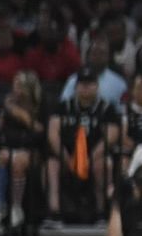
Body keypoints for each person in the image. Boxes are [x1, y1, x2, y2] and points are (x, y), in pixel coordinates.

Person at [47, 68, 119, 224]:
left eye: (90, 83)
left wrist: (90, 159)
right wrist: (67, 158)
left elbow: (111, 136)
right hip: (67, 155)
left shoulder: (107, 108)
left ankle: (101, 212)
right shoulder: (63, 106)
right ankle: (54, 212)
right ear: (75, 87)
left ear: (97, 86)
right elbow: (53, 133)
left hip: (94, 156)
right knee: (52, 164)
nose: (85, 87)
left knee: (104, 164)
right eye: (82, 84)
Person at [0, 69, 47, 229]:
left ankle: (16, 207)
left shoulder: (40, 107)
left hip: (35, 151)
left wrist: (16, 112)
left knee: (18, 161)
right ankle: (1, 206)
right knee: (4, 156)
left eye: (19, 86)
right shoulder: (8, 108)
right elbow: (0, 132)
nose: (15, 89)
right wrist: (7, 113)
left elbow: (38, 130)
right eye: (14, 85)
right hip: (12, 148)